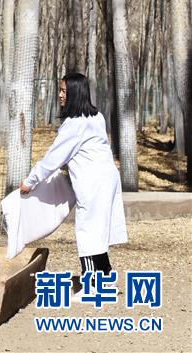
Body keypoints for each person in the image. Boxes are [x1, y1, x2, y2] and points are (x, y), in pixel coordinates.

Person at [19, 72, 128, 296]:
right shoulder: (96, 117)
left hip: (93, 182)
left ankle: (92, 286)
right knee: (97, 230)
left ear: (75, 94)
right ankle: (106, 279)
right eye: (60, 90)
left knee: (88, 231)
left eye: (64, 91)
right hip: (107, 178)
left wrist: (30, 182)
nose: (60, 95)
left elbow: (53, 157)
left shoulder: (74, 124)